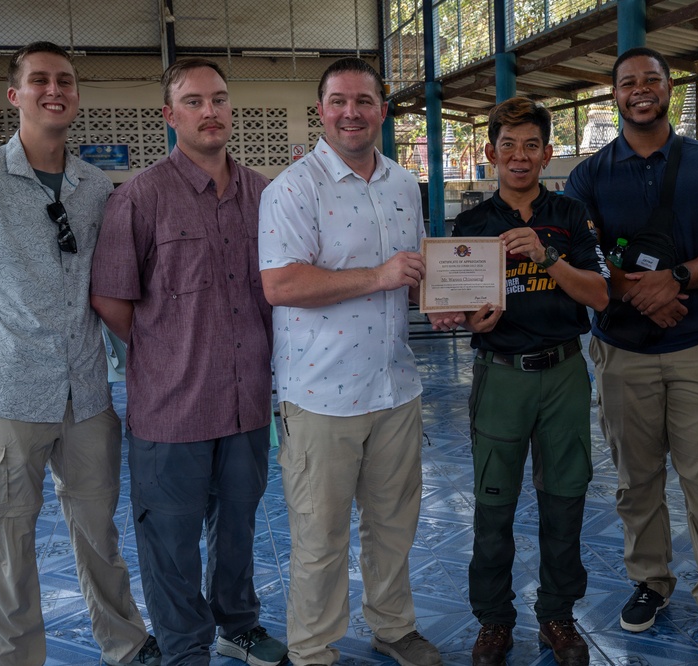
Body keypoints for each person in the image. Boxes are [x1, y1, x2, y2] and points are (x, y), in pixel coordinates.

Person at [0, 41, 160, 666]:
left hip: (89, 396)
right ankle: (15, 657)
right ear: (14, 95)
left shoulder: (95, 186)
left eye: (65, 80)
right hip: (9, 398)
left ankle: (124, 641)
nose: (54, 90)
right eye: (39, 80)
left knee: (99, 531)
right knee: (8, 541)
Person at [90, 58, 287, 666]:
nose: (211, 112)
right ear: (170, 115)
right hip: (172, 407)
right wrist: (169, 350)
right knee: (170, 539)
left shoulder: (265, 194)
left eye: (220, 100)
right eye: (195, 101)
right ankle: (183, 647)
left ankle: (237, 623)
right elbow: (110, 297)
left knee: (237, 530)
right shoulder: (141, 197)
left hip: (247, 401)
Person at [564, 47, 698, 654]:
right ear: (613, 94)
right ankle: (651, 580)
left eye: (652, 80)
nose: (640, 90)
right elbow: (582, 256)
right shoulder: (590, 175)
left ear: (670, 89)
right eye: (628, 83)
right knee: (636, 479)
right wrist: (647, 296)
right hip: (622, 350)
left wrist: (673, 281)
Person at [257, 58, 441, 666]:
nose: (351, 112)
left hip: (394, 386)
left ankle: (393, 626)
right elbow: (281, 284)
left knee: (393, 526)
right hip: (321, 396)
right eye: (339, 101)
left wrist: (440, 304)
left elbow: (412, 273)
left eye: (364, 100)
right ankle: (312, 649)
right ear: (321, 110)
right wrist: (380, 276)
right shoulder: (292, 188)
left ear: (383, 110)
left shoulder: (402, 184)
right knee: (320, 537)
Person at [428, 97, 608, 666]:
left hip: (562, 374)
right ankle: (494, 621)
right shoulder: (474, 224)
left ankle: (557, 615)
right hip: (501, 374)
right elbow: (460, 306)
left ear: (548, 152)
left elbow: (601, 294)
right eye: (508, 145)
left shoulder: (571, 213)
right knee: (493, 504)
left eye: (531, 145)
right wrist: (470, 321)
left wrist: (548, 254)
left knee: (565, 500)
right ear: (490, 154)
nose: (519, 156)